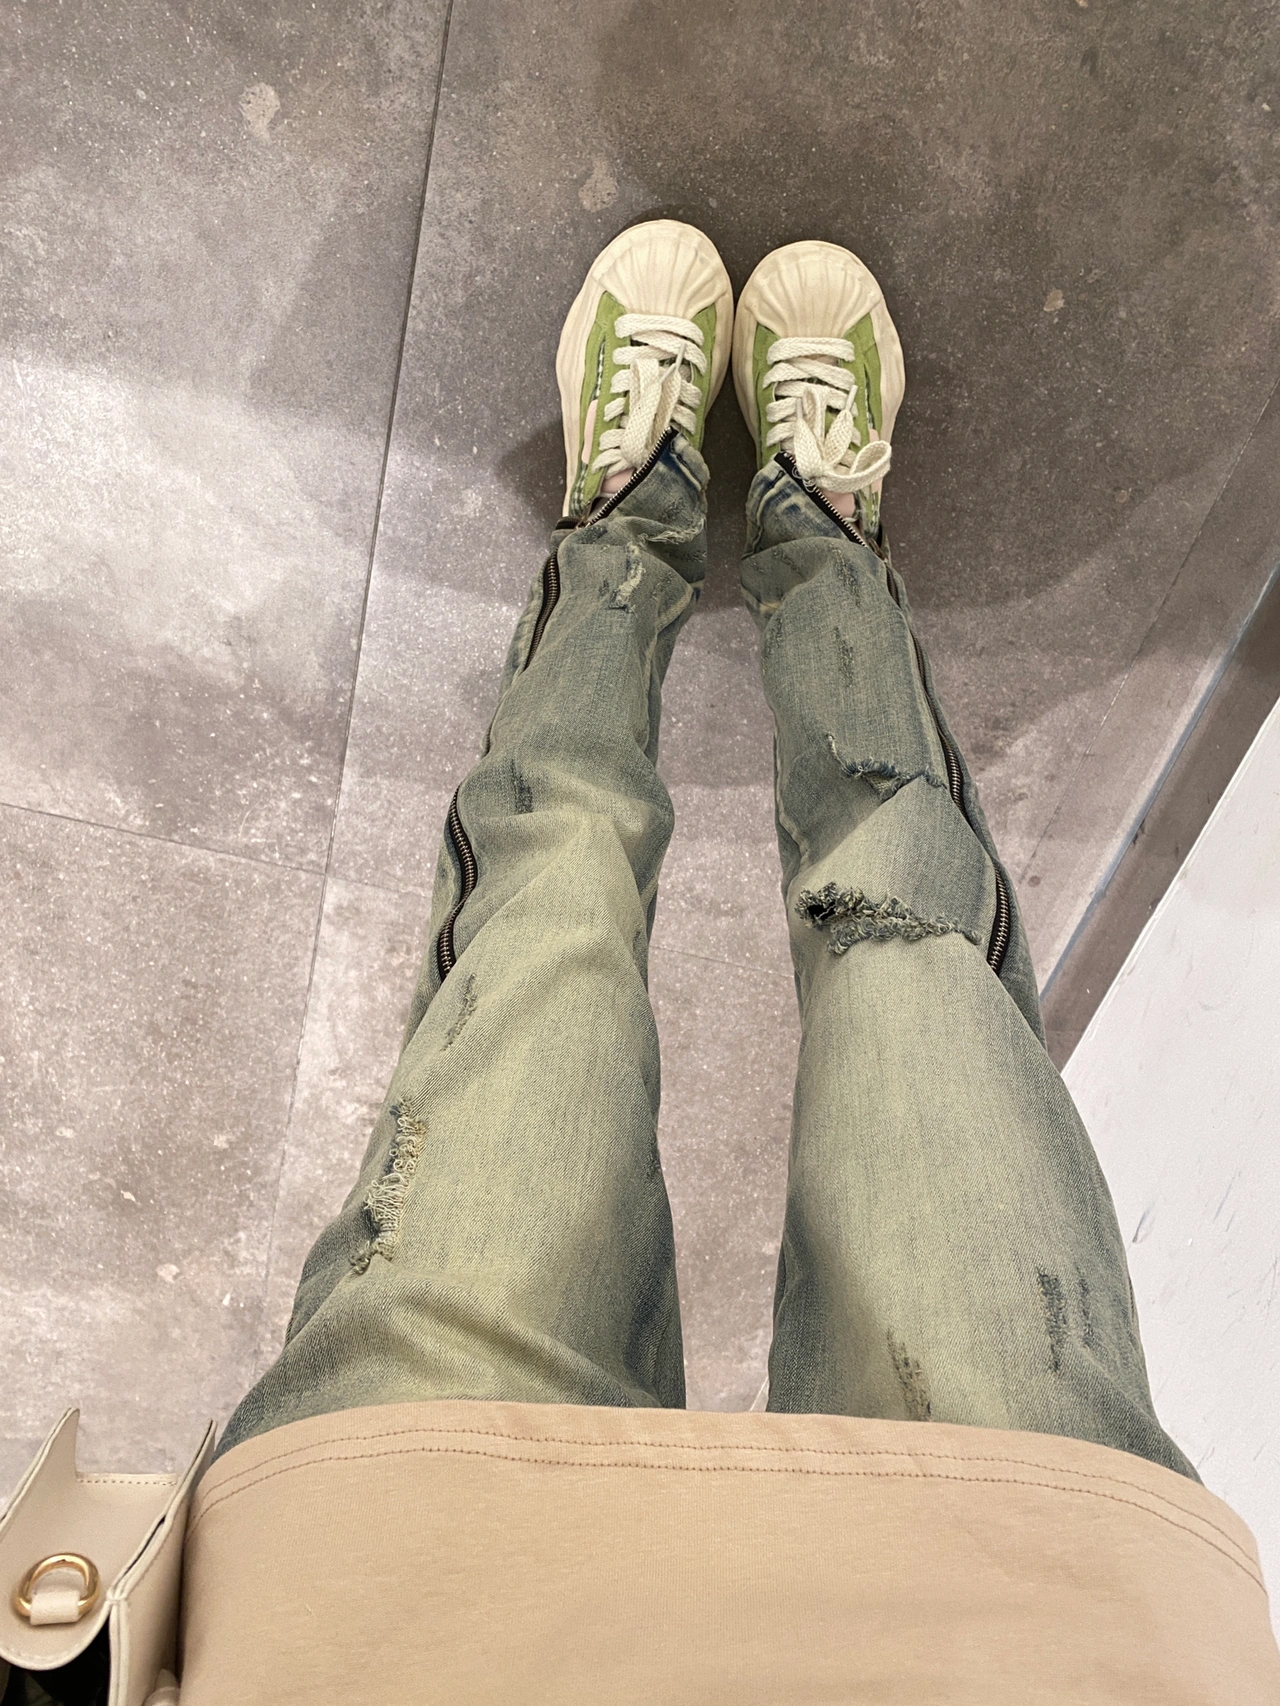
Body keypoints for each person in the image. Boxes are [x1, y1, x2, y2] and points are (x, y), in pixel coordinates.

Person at [178, 221, 1279, 1701]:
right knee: (911, 941)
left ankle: (624, 522)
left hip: (404, 1603)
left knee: (552, 900)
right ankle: (824, 540)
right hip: (1039, 1613)